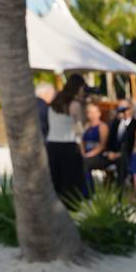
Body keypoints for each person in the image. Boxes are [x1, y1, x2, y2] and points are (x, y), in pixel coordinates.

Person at [46, 73, 88, 203]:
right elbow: (78, 130)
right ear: (78, 88)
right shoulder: (75, 105)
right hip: (68, 146)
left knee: (56, 180)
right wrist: (82, 150)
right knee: (71, 183)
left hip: (52, 145)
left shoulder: (54, 102)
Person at [105, 100, 136, 185]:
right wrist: (109, 152)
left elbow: (134, 146)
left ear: (131, 109)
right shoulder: (113, 123)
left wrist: (120, 154)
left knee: (121, 162)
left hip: (127, 156)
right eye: (120, 109)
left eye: (125, 109)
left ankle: (120, 192)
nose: (122, 111)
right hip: (111, 155)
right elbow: (108, 141)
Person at [80, 102, 110, 192]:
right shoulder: (86, 126)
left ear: (99, 113)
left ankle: (88, 192)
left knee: (84, 163)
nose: (93, 114)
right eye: (90, 112)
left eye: (95, 112)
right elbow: (82, 142)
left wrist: (89, 154)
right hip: (87, 154)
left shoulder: (103, 126)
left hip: (98, 155)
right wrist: (83, 153)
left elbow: (102, 145)